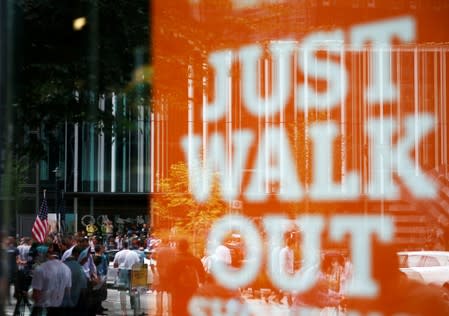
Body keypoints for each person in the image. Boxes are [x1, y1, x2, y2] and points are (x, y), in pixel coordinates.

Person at [30, 243, 72, 316]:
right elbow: (67, 291)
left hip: (43, 308)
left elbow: (36, 295)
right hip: (59, 309)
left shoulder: (40, 269)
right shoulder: (67, 269)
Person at [167, 238, 205, 316]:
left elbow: (168, 276)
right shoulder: (196, 260)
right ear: (187, 247)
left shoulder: (174, 261)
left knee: (178, 312)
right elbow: (202, 276)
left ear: (178, 247)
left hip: (177, 292)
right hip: (192, 291)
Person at [113, 240, 141, 315]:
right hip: (132, 271)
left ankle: (123, 311)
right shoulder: (134, 253)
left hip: (122, 271)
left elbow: (115, 265)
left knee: (122, 291)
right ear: (129, 245)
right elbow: (137, 263)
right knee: (133, 290)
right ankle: (134, 308)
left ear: (122, 245)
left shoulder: (118, 253)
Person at [61, 245, 88, 316]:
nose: (86, 260)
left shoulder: (61, 264)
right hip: (74, 304)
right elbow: (83, 289)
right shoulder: (79, 269)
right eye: (85, 258)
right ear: (78, 255)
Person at [153, 237, 175, 316]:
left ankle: (159, 312)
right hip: (170, 275)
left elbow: (153, 263)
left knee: (159, 293)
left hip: (160, 274)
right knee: (170, 294)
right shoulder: (173, 251)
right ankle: (170, 312)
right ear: (168, 242)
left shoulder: (158, 250)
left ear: (162, 242)